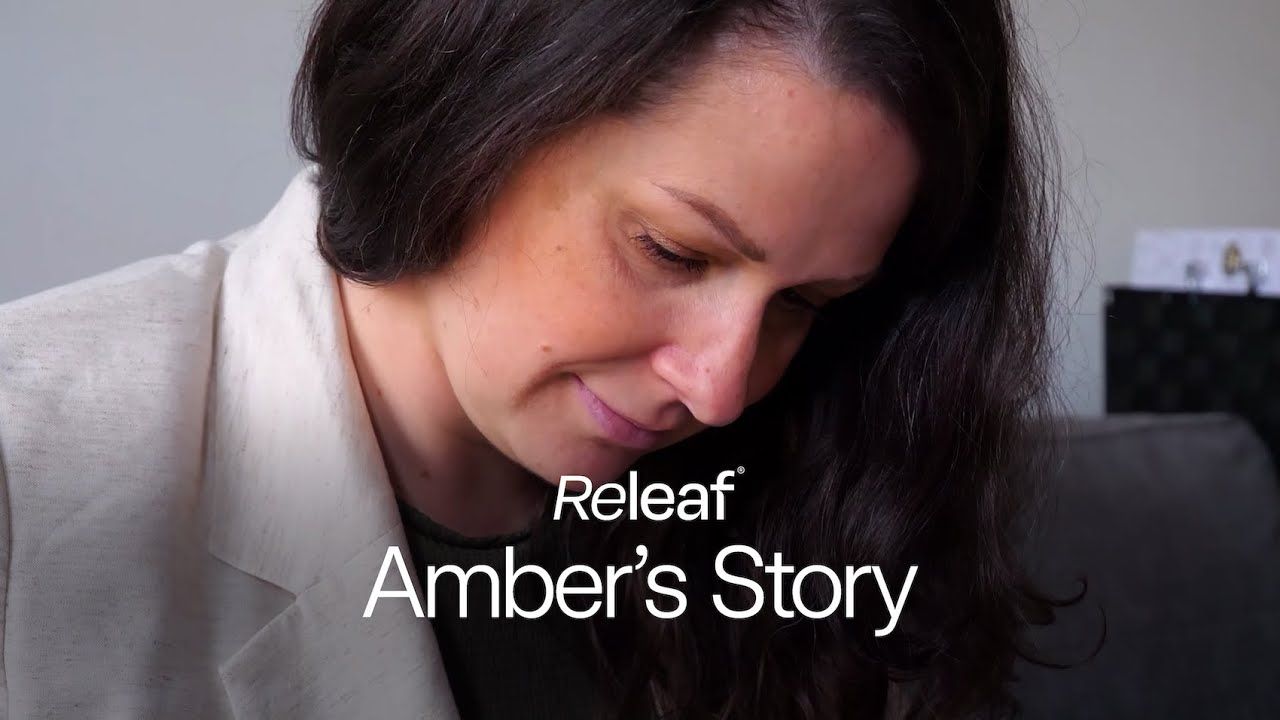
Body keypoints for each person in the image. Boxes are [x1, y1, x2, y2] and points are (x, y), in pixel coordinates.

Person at [0, 1, 1070, 718]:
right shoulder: (31, 468)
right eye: (671, 251)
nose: (720, 389)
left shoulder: (813, 490)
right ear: (465, 116)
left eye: (803, 303)